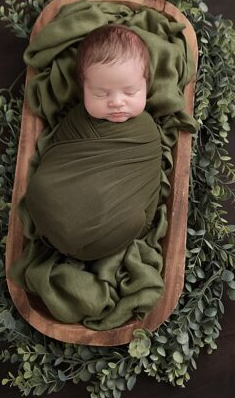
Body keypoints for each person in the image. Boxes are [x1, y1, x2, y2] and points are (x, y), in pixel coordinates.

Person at [22, 24, 162, 262]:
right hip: (56, 211)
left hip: (108, 229)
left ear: (146, 85)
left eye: (130, 92)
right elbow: (57, 158)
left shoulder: (146, 132)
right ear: (83, 88)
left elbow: (145, 185)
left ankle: (84, 241)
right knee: (41, 187)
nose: (117, 102)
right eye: (101, 94)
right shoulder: (77, 119)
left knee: (133, 218)